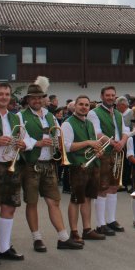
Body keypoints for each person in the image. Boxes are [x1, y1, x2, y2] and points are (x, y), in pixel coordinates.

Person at [19, 78, 82, 251]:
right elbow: (19, 138)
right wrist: (37, 143)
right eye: (33, 98)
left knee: (53, 201)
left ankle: (63, 237)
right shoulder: (20, 116)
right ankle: (36, 238)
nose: (37, 101)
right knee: (32, 203)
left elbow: (57, 133)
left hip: (49, 163)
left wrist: (57, 142)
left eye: (39, 98)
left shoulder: (49, 115)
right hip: (31, 164)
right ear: (28, 100)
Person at [0, 82, 36, 265]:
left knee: (9, 207)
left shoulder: (16, 118)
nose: (4, 97)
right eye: (1, 94)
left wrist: (24, 144)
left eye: (7, 94)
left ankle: (4, 247)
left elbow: (27, 138)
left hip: (13, 165)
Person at [61, 95, 106, 243]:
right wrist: (88, 142)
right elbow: (67, 146)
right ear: (75, 106)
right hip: (77, 165)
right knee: (76, 199)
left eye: (87, 105)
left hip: (92, 165)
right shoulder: (68, 124)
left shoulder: (89, 123)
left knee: (88, 198)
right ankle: (74, 232)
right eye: (81, 104)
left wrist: (98, 151)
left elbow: (93, 144)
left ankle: (87, 229)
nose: (84, 107)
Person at [87, 86, 129, 236]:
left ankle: (111, 220)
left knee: (113, 186)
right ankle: (100, 224)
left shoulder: (117, 113)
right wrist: (113, 143)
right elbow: (97, 133)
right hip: (104, 153)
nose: (111, 97)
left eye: (113, 95)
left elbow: (125, 130)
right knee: (102, 188)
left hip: (117, 152)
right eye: (108, 95)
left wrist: (122, 142)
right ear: (102, 96)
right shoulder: (94, 112)